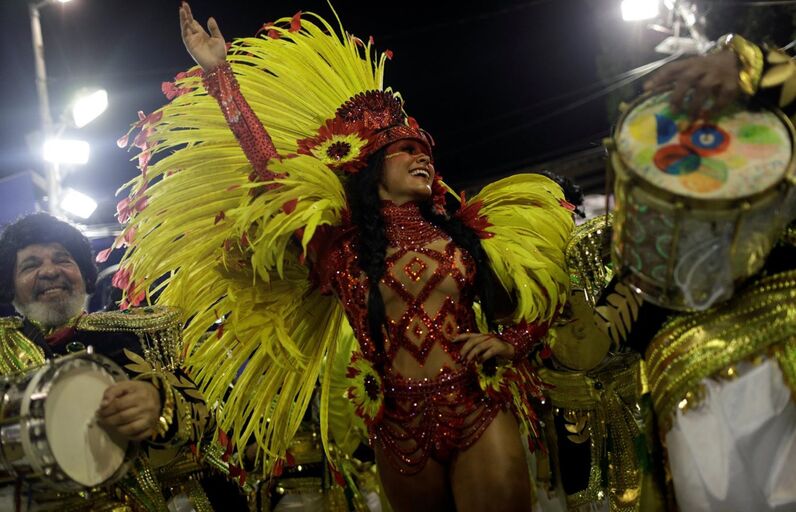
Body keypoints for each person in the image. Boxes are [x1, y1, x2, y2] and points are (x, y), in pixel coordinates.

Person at [113, 3, 574, 511]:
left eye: (424, 150)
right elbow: (270, 169)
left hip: (475, 406)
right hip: (396, 425)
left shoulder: (467, 233)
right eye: (406, 150)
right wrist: (220, 76)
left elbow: (547, 289)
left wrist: (511, 341)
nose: (422, 156)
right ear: (371, 166)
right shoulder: (339, 250)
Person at [566, 35, 796, 511]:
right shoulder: (639, 263)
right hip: (694, 404)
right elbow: (592, 345)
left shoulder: (776, 174)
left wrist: (746, 63)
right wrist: (556, 316)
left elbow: (784, 84)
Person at [0, 212, 234, 511]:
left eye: (62, 259)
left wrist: (161, 405)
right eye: (30, 265)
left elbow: (220, 417)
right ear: (10, 286)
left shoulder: (146, 332)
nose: (49, 271)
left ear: (84, 276)